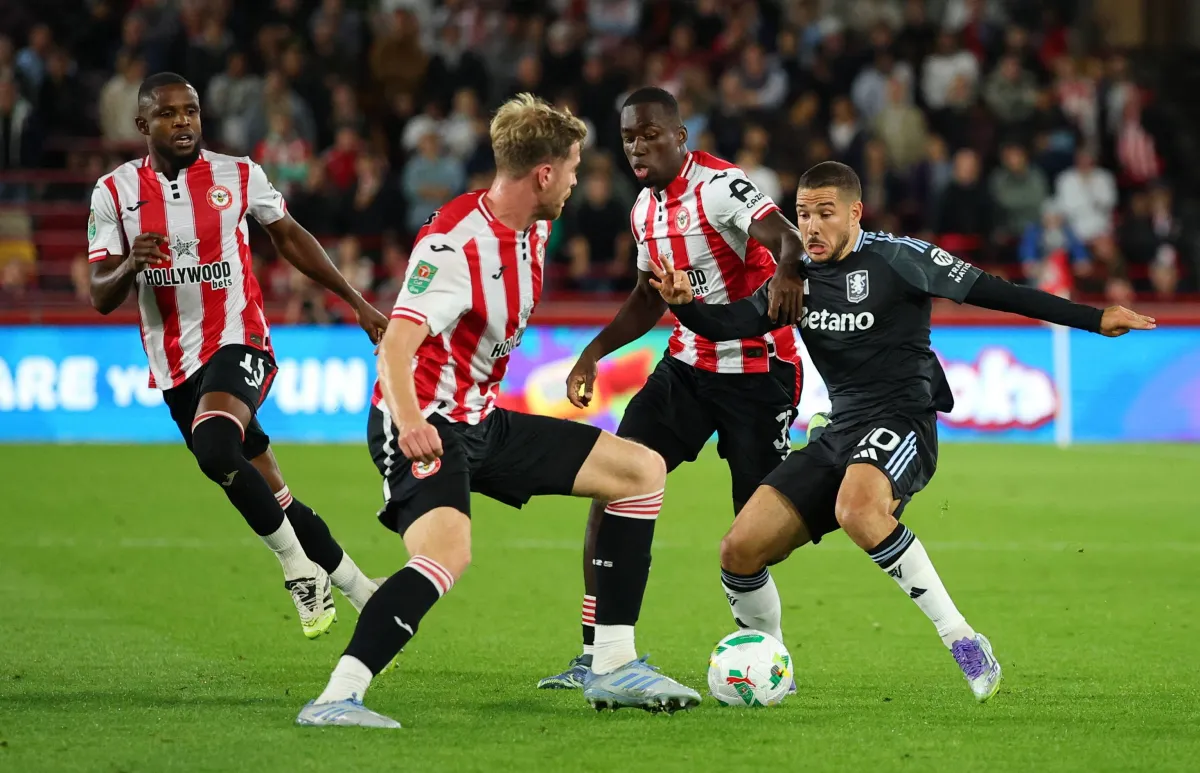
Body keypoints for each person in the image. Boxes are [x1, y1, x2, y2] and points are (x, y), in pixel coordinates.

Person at [647, 161, 1155, 703]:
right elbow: (730, 325)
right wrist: (686, 307)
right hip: (839, 429)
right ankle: (775, 668)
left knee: (858, 510)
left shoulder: (901, 258)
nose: (811, 227)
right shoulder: (797, 279)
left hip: (902, 418)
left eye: (825, 213)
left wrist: (1093, 318)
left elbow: (996, 292)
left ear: (855, 213)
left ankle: (963, 639)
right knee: (738, 550)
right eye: (802, 215)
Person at [296, 94, 702, 729]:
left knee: (640, 471)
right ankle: (335, 699)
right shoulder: (456, 246)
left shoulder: (535, 227)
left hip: (481, 419)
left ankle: (613, 664)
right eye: (571, 169)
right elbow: (395, 347)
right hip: (426, 422)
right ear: (544, 173)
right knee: (446, 554)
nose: (575, 182)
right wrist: (411, 423)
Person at [87, 73, 388, 639]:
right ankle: (362, 591)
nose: (183, 121)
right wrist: (129, 264)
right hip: (175, 365)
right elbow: (100, 294)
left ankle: (298, 569)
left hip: (239, 337)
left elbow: (290, 236)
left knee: (215, 445)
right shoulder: (114, 192)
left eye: (191, 110)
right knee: (271, 491)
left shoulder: (239, 174)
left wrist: (356, 301)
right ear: (142, 124)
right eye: (169, 113)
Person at [538, 87, 808, 690]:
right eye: (628, 137)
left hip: (758, 375)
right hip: (684, 372)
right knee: (612, 485)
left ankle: (770, 655)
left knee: (754, 537)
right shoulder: (643, 209)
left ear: (680, 137)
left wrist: (789, 270)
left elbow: (787, 237)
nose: (637, 146)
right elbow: (646, 298)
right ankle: (598, 654)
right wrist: (593, 353)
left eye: (650, 134)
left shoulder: (720, 186)